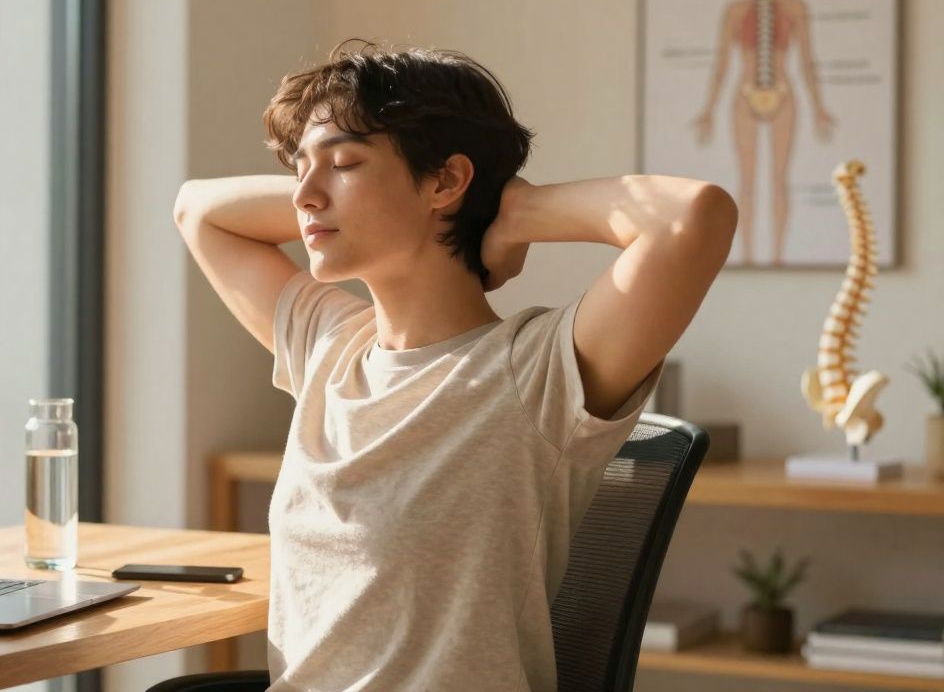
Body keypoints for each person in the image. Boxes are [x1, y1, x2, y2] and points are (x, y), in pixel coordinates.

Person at [173, 40, 737, 691]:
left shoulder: (537, 371)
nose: (304, 195)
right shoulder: (330, 349)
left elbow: (693, 216)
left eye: (345, 163)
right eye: (300, 168)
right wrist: (343, 188)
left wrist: (515, 212)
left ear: (445, 181)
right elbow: (196, 210)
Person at [692, 0, 836, 266]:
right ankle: (746, 257)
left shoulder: (795, 7)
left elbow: (807, 60)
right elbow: (722, 62)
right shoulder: (735, 10)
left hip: (783, 93)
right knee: (746, 182)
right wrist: (708, 110)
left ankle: (778, 258)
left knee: (779, 181)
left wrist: (819, 107)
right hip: (745, 95)